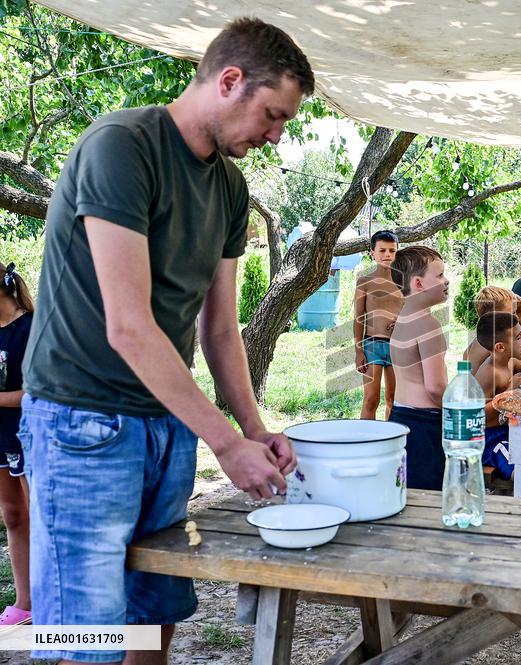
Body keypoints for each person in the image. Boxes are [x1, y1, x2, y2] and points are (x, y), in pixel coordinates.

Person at [19, 18, 310, 663]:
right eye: (272, 115)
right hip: (81, 421)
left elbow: (220, 329)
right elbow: (128, 326)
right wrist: (225, 442)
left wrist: (254, 429)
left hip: (165, 425)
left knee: (155, 616)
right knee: (82, 640)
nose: (274, 134)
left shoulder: (231, 189)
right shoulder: (122, 146)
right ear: (229, 81)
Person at [388, 245, 450, 490]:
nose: (446, 281)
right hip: (425, 424)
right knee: (430, 498)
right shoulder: (428, 325)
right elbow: (435, 387)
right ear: (418, 284)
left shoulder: (402, 318)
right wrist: (460, 410)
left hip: (400, 417)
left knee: (404, 493)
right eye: (440, 275)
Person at [0, 264, 33, 626]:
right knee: (12, 515)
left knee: (41, 516)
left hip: (29, 435)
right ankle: (25, 603)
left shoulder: (30, 329)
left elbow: (39, 393)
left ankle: (58, 598)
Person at [353, 231, 403, 420]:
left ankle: (390, 444)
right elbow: (359, 318)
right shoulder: (364, 282)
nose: (387, 255)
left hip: (398, 347)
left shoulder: (404, 282)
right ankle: (365, 444)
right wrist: (359, 351)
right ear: (372, 252)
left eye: (392, 250)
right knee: (371, 399)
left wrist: (403, 320)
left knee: (393, 399)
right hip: (371, 345)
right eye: (382, 250)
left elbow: (415, 311)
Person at [474, 312, 521, 480]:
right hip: (488, 439)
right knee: (520, 468)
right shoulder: (490, 372)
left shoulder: (509, 361)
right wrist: (510, 391)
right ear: (500, 347)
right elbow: (478, 415)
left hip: (506, 430)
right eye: (518, 337)